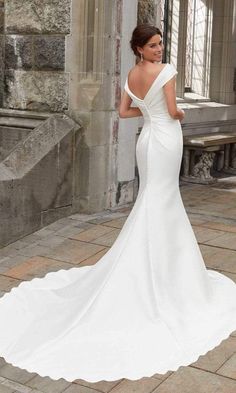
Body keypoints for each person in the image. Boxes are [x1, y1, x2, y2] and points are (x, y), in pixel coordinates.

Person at [0, 23, 236, 384]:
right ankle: (168, 275)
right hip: (166, 139)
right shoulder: (167, 72)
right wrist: (177, 115)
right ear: (140, 48)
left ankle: (157, 264)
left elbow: (125, 112)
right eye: (154, 45)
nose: (159, 49)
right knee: (163, 198)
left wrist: (149, 113)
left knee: (153, 199)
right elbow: (173, 110)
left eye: (160, 45)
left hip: (147, 141)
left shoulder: (131, 74)